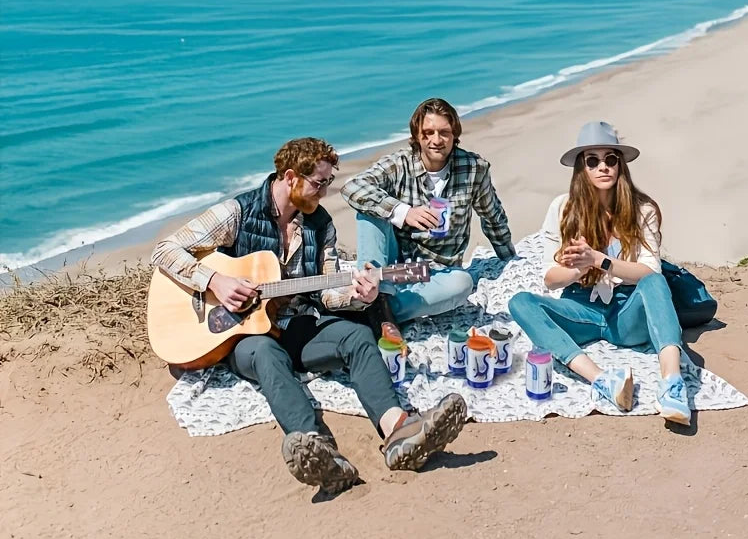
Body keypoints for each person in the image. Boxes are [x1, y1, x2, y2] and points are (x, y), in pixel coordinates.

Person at [151, 137, 467, 494]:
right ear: (290, 177)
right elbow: (164, 250)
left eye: (328, 182)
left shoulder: (320, 224)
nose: (324, 192)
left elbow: (327, 293)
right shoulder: (237, 212)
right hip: (242, 335)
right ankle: (319, 452)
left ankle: (399, 431)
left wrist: (360, 294)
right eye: (319, 183)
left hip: (298, 326)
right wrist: (216, 281)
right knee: (266, 355)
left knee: (357, 336)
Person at [508, 121, 691, 426]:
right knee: (520, 303)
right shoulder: (563, 208)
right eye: (593, 160)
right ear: (582, 167)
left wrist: (600, 260)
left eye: (611, 159)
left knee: (656, 281)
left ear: (621, 165)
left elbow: (648, 271)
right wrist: (577, 270)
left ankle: (672, 384)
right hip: (582, 307)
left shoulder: (641, 209)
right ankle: (603, 380)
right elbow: (549, 278)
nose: (603, 166)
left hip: (626, 312)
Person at [341, 97, 515, 325]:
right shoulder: (399, 164)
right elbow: (352, 187)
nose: (436, 140)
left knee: (463, 284)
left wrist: (510, 259)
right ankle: (376, 295)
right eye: (428, 132)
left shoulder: (474, 168)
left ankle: (379, 311)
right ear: (416, 135)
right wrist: (403, 212)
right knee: (369, 212)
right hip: (392, 268)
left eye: (444, 132)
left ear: (454, 135)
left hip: (439, 271)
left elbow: (492, 217)